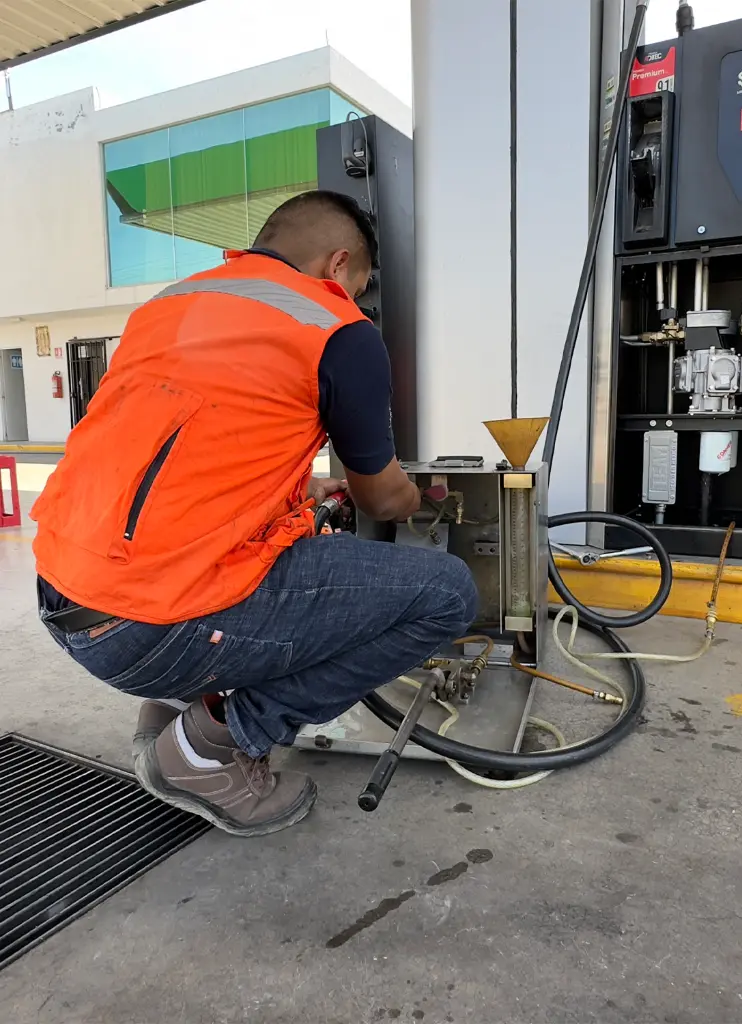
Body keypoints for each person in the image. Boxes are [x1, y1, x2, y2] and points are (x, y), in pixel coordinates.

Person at [33, 190, 478, 837]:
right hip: (154, 627)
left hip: (65, 602)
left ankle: (168, 712)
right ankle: (214, 746)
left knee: (244, 550)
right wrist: (420, 495)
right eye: (357, 286)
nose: (353, 300)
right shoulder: (338, 330)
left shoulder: (172, 304)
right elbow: (380, 497)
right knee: (447, 595)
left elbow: (189, 453)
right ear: (339, 264)